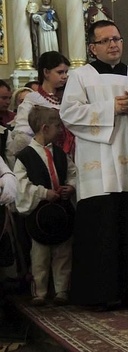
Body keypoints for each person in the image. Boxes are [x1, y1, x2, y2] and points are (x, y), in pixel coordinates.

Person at [60, 20, 128, 309]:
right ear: (92, 47)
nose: (113, 44)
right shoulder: (82, 76)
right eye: (105, 40)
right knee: (101, 228)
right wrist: (111, 109)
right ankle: (98, 294)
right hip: (98, 161)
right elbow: (69, 113)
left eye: (117, 39)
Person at [14, 106, 77, 306]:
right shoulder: (25, 156)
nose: (60, 130)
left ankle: (61, 290)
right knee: (39, 255)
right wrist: (43, 193)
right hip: (39, 216)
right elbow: (21, 184)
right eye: (57, 126)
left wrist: (71, 187)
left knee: (63, 253)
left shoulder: (60, 154)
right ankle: (39, 292)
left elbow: (73, 173)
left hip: (61, 213)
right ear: (44, 128)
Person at [8, 52, 72, 167]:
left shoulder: (70, 98)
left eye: (66, 72)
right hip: (46, 160)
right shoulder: (33, 100)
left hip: (73, 155)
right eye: (60, 72)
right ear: (46, 72)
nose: (64, 76)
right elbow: (22, 135)